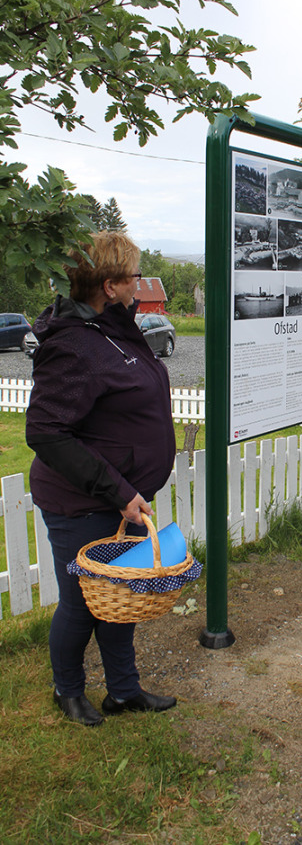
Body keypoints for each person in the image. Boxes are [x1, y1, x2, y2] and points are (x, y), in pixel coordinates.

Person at [26, 231, 177, 726]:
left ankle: (123, 691)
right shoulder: (73, 346)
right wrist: (119, 491)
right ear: (109, 286)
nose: (140, 283)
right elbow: (46, 433)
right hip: (84, 502)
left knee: (122, 596)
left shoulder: (114, 328)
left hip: (126, 499)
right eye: (133, 276)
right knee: (82, 605)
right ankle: (67, 690)